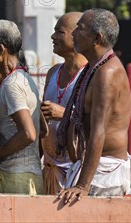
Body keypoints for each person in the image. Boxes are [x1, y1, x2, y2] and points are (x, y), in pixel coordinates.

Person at [58, 9, 131, 203]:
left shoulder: (107, 72)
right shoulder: (95, 68)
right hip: (92, 168)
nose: (74, 34)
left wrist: (82, 185)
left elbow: (99, 131)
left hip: (104, 174)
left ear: (97, 38)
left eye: (80, 29)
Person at [0, 20, 43, 195]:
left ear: (1, 49)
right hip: (26, 173)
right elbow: (42, 130)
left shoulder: (11, 85)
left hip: (17, 178)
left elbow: (28, 134)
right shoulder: (24, 78)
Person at [41, 12, 87, 195]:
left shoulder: (90, 75)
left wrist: (64, 114)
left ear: (76, 35)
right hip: (49, 168)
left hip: (75, 171)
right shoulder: (53, 73)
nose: (53, 37)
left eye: (59, 32)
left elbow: (100, 123)